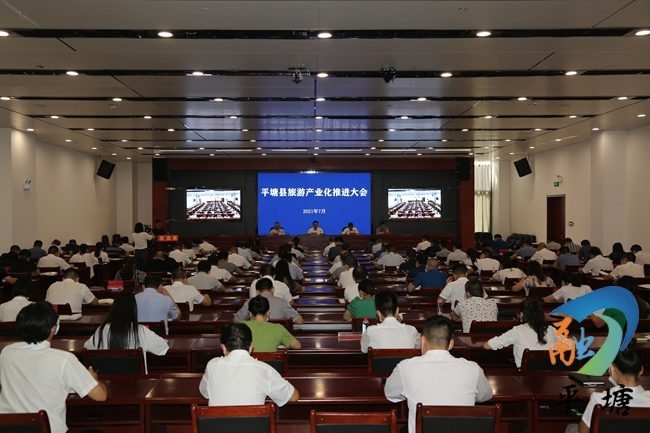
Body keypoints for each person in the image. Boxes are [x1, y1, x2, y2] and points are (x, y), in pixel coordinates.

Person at [0, 302, 107, 433]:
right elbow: (100, 396)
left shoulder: (7, 352)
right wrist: (94, 380)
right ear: (53, 329)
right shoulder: (63, 359)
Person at [385, 315, 493, 433]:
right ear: (451, 344)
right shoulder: (473, 368)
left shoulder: (405, 367)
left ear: (422, 340)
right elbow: (485, 396)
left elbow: (390, 394)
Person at [199, 323, 299, 406]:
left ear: (223, 348)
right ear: (251, 346)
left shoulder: (212, 365)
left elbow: (204, 392)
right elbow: (293, 397)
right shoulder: (264, 370)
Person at [566, 342, 650, 433]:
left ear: (612, 370)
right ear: (641, 370)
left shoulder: (599, 399)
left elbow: (583, 430)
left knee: (571, 428)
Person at [84, 291, 169, 373]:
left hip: (106, 381)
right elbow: (163, 347)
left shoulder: (102, 330)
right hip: (136, 382)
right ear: (134, 309)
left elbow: (87, 347)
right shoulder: (141, 331)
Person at [483, 298, 560, 368]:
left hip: (525, 375)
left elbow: (488, 346)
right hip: (551, 372)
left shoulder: (518, 330)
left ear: (522, 314)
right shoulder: (552, 330)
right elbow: (567, 343)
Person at [234, 278, 303, 324]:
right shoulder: (283, 303)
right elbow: (300, 321)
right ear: (272, 289)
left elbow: (235, 321)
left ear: (257, 291)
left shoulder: (249, 303)